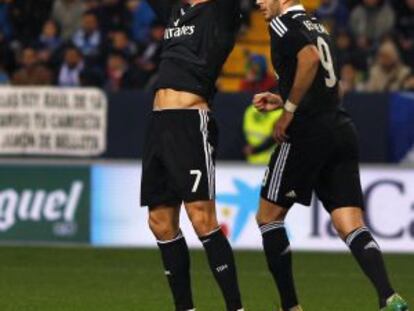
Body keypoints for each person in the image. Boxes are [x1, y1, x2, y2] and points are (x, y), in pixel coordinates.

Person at [253, 0, 409, 311]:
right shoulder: (318, 27)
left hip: (307, 132)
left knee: (268, 217)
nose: (258, 2)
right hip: (339, 127)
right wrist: (282, 96)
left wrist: (289, 110)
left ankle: (290, 307)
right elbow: (329, 84)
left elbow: (309, 60)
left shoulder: (282, 25)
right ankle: (388, 297)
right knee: (349, 222)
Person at [140, 0, 244, 310]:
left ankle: (235, 307)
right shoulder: (176, 9)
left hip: (190, 121)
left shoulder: (220, 12)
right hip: (159, 123)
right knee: (159, 221)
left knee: (201, 216)